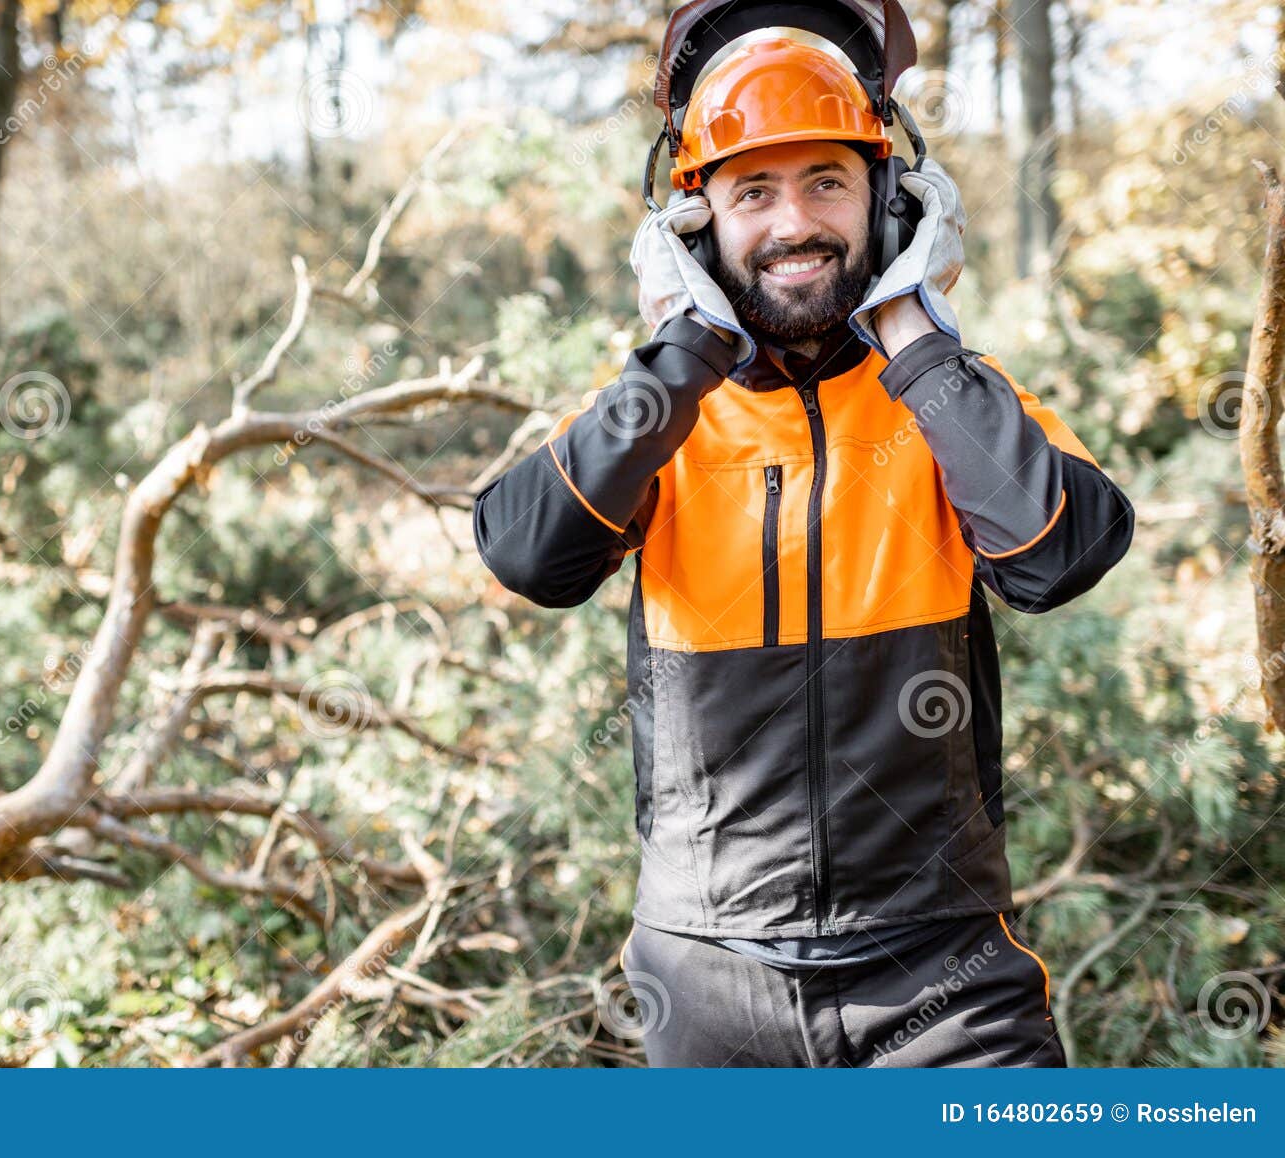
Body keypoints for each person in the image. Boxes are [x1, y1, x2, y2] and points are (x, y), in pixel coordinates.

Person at [471, 37, 1135, 1067]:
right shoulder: (659, 414)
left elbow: (1057, 556)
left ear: (890, 202)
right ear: (694, 226)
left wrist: (916, 334)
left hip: (942, 970)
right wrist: (684, 349)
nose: (794, 224)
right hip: (705, 973)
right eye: (752, 193)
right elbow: (528, 556)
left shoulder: (952, 397)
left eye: (827, 182)